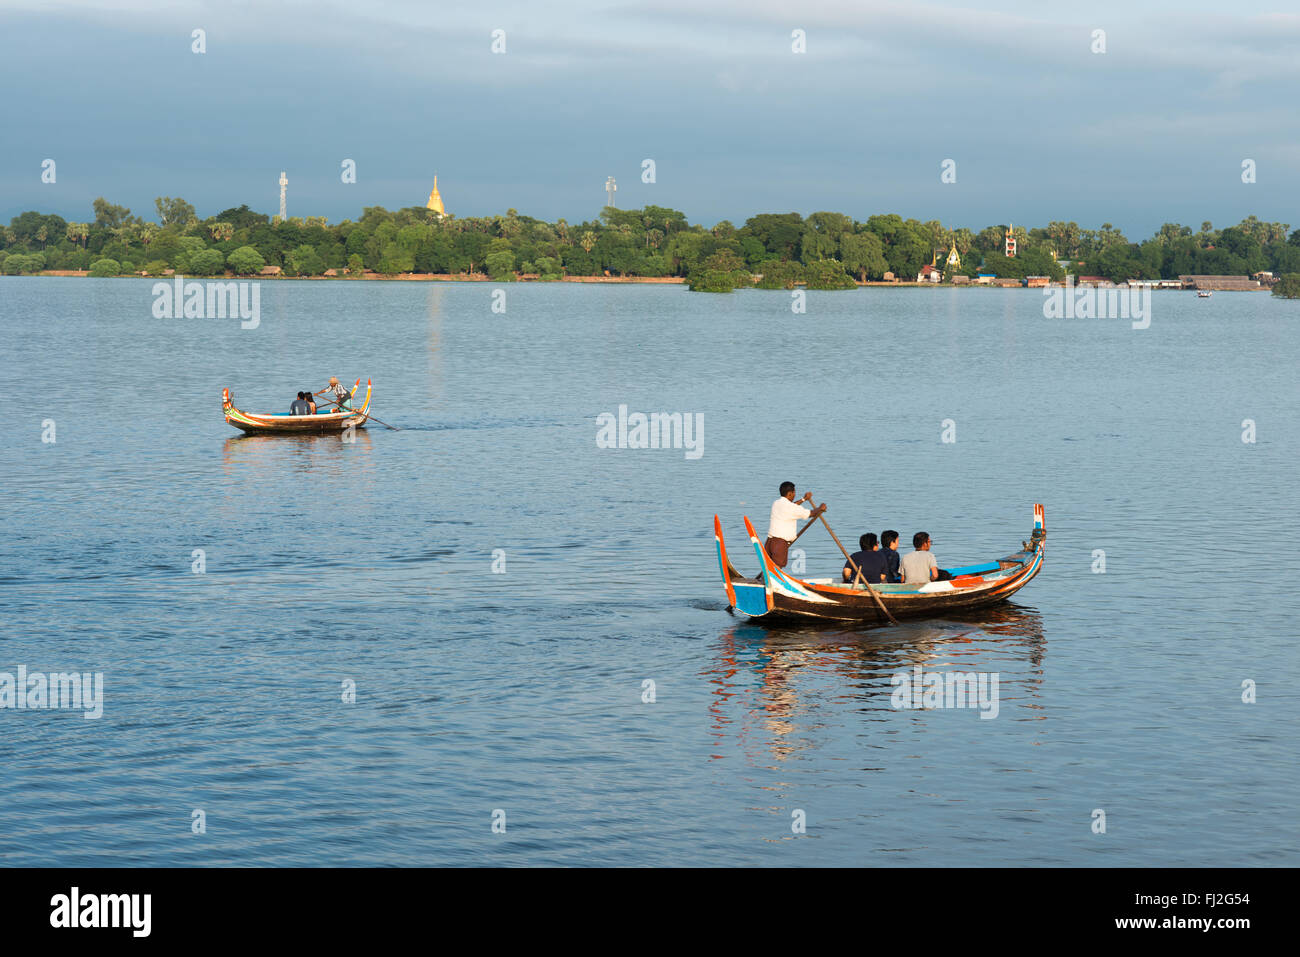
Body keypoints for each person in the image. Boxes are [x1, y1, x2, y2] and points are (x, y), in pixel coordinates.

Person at [765, 481, 825, 570]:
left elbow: (792, 506)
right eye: (794, 493)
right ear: (790, 493)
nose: (794, 495)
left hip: (769, 542)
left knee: (769, 567)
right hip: (780, 543)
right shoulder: (791, 508)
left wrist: (804, 499)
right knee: (777, 568)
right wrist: (821, 508)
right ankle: (772, 583)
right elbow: (810, 513)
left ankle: (765, 580)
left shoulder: (776, 503)